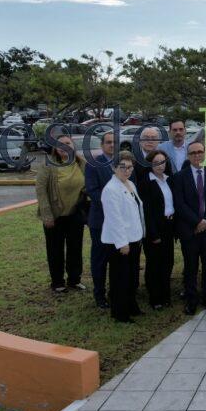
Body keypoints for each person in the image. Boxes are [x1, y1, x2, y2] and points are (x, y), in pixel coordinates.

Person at [174, 140, 206, 314]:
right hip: (190, 230)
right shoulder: (180, 177)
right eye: (193, 153)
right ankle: (191, 300)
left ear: (205, 153)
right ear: (188, 156)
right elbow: (179, 204)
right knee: (191, 267)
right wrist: (196, 222)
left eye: (200, 152)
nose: (197, 155)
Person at [35, 133, 87, 293]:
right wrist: (47, 215)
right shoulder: (48, 165)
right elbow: (41, 190)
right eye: (60, 144)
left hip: (75, 214)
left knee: (75, 249)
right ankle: (57, 282)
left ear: (73, 145)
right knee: (55, 250)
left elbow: (88, 185)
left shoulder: (81, 162)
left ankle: (74, 280)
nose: (65, 147)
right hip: (55, 216)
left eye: (68, 143)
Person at [100, 151, 145, 323]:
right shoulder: (111, 189)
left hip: (134, 238)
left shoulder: (130, 184)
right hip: (119, 242)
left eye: (130, 167)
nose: (127, 171)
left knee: (132, 277)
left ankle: (132, 306)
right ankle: (120, 313)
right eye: (123, 167)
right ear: (114, 168)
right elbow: (114, 218)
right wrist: (122, 243)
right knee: (121, 278)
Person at [84, 131, 121, 309]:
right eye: (108, 142)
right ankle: (99, 295)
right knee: (100, 260)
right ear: (102, 145)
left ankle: (115, 291)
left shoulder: (122, 162)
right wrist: (113, 203)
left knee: (116, 259)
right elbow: (92, 191)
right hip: (101, 220)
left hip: (119, 221)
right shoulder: (93, 164)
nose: (112, 145)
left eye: (115, 142)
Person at [135, 149, 175, 310]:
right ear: (151, 164)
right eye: (157, 162)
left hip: (169, 227)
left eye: (163, 162)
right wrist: (153, 233)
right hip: (155, 229)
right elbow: (146, 211)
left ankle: (166, 295)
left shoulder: (169, 179)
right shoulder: (145, 182)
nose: (160, 165)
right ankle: (155, 298)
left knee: (168, 262)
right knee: (154, 264)